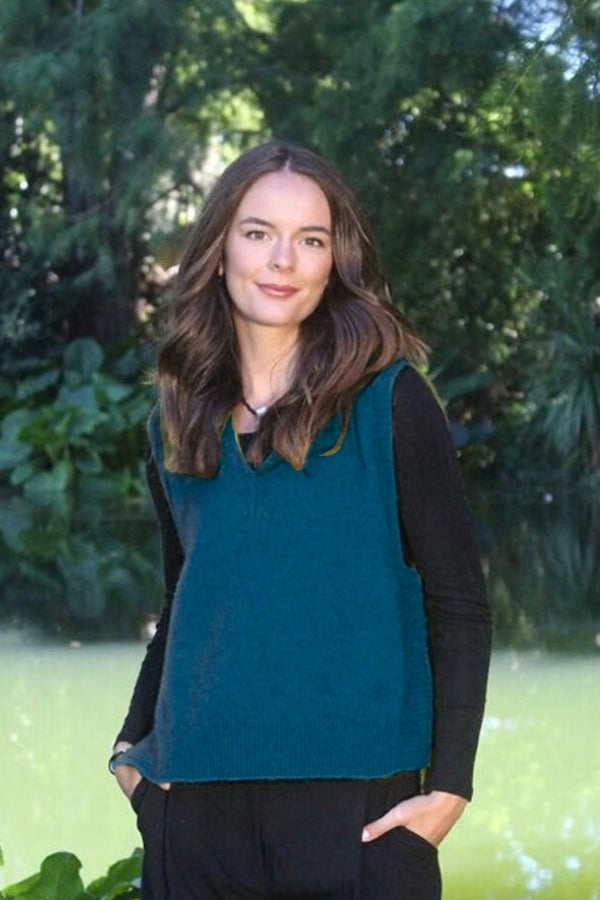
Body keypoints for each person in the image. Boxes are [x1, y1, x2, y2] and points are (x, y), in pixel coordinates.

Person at [109, 140, 491, 900]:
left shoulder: (391, 403)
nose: (283, 259)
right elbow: (185, 599)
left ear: (333, 262)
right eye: (258, 233)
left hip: (359, 816)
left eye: (310, 239)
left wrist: (450, 786)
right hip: (195, 813)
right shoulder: (177, 424)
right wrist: (131, 750)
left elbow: (460, 605)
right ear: (219, 249)